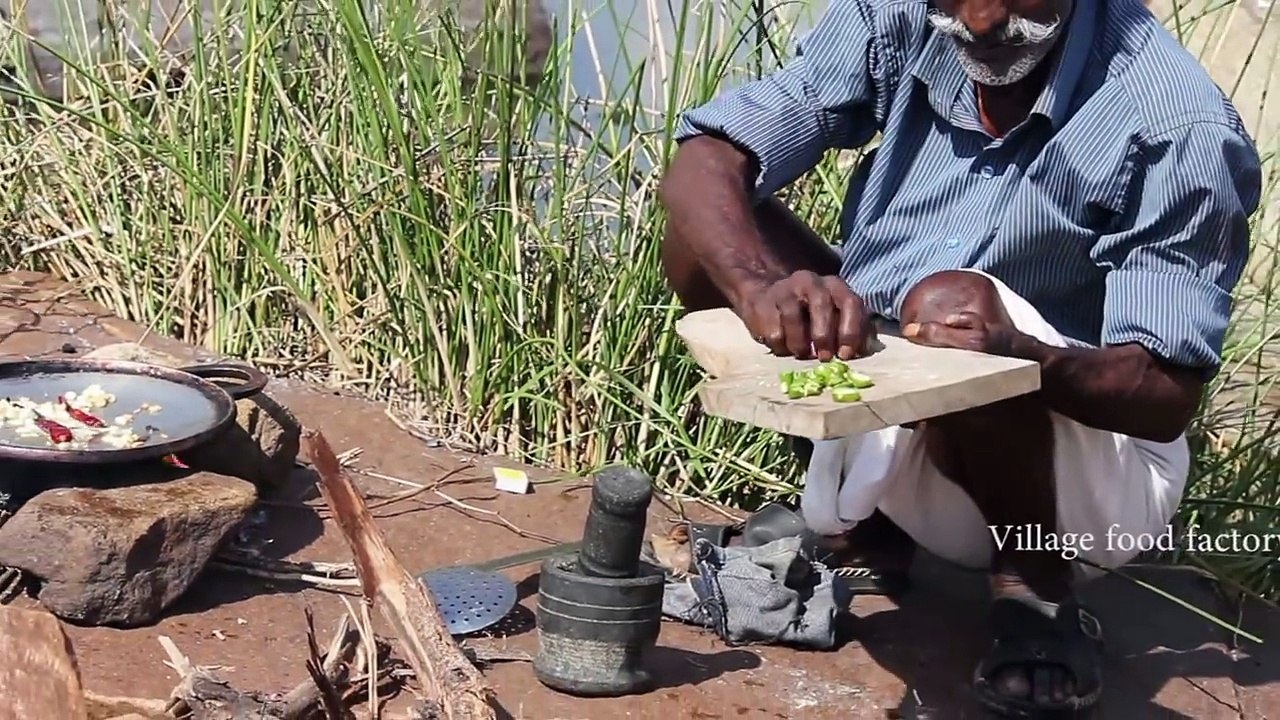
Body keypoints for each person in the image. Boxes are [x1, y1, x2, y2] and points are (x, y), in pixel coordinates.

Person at [657, 0, 1263, 715]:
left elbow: (1165, 399)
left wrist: (1022, 358)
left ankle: (1033, 590)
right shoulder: (900, 14)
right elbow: (708, 158)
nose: (979, 20)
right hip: (918, 419)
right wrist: (762, 290)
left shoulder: (1174, 121)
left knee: (949, 307)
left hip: (1084, 487)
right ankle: (871, 529)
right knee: (715, 234)